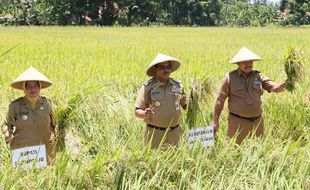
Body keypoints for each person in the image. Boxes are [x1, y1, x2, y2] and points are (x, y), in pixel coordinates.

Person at [211, 47, 286, 145]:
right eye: (245, 62)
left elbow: (276, 88)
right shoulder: (230, 78)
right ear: (238, 63)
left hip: (257, 123)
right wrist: (215, 121)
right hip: (237, 122)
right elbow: (220, 100)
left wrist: (287, 83)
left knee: (258, 152)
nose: (248, 64)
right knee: (235, 152)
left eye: (250, 61)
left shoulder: (258, 76)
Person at [2, 66, 56, 165]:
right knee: (26, 178)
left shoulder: (48, 104)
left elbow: (54, 125)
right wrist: (7, 134)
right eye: (29, 86)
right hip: (24, 152)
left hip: (45, 150)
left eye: (35, 86)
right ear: (23, 88)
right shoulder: (15, 106)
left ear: (40, 87)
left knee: (47, 177)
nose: (33, 89)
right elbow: (6, 124)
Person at [135, 53, 187, 149]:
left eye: (168, 67)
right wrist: (145, 113)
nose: (166, 70)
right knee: (154, 162)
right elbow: (137, 111)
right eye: (162, 67)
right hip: (155, 133)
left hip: (175, 132)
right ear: (155, 69)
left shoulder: (177, 85)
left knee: (177, 162)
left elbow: (185, 106)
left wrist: (193, 100)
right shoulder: (147, 87)